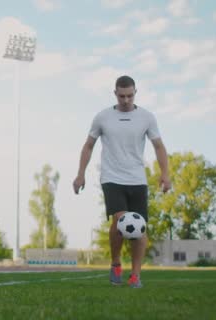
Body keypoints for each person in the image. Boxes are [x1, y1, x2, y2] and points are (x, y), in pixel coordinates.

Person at [73, 75, 171, 288]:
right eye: (122, 96)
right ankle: (116, 263)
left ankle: (135, 275)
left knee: (139, 229)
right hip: (112, 177)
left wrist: (165, 173)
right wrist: (81, 173)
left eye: (130, 95)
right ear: (115, 94)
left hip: (137, 179)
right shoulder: (102, 117)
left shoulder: (147, 117)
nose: (126, 100)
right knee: (120, 221)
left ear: (135, 93)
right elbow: (88, 145)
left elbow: (159, 146)